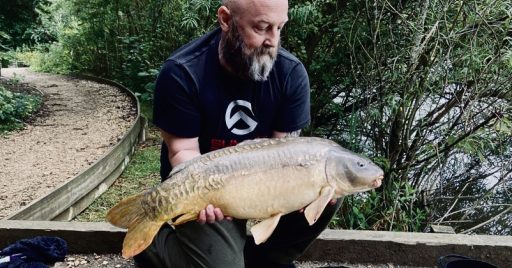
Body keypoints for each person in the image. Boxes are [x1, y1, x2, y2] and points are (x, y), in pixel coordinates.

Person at [135, 0, 342, 267]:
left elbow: (286, 155)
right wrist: (203, 198)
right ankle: (154, 241)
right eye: (262, 28)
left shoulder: (291, 74)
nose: (273, 41)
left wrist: (303, 190)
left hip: (263, 184)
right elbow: (182, 151)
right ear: (225, 19)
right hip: (207, 192)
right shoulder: (181, 73)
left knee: (330, 190)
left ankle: (264, 260)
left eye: (279, 28)